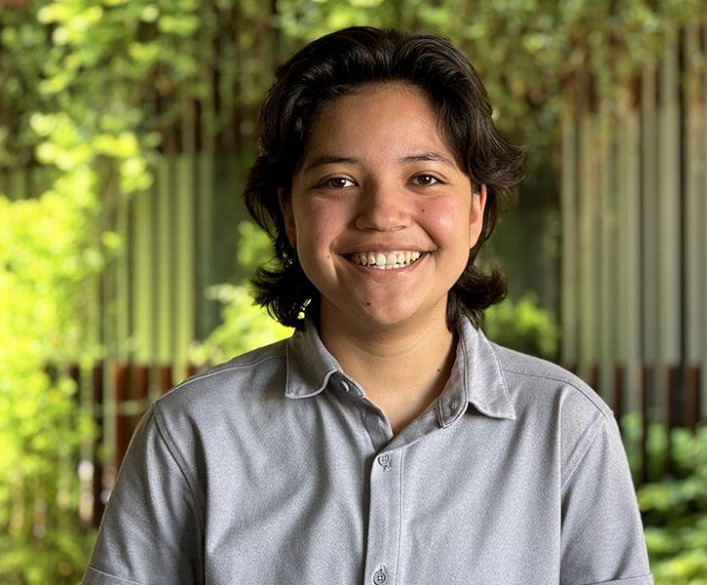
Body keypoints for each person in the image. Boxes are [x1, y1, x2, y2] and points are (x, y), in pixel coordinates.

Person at [83, 27, 652, 585]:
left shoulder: (565, 430)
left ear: (475, 209)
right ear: (289, 212)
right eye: (338, 180)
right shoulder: (191, 434)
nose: (382, 213)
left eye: (424, 177)